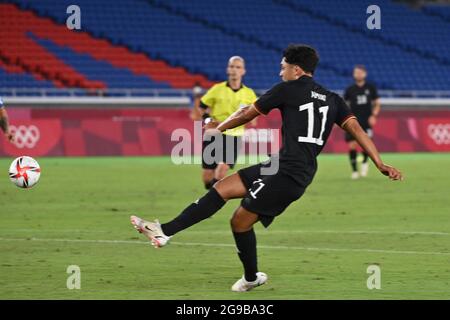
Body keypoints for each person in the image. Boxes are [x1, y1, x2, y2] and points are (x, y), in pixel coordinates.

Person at [130, 45, 402, 292]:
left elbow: (248, 112)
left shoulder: (287, 89)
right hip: (284, 165)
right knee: (221, 188)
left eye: (283, 66)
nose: (280, 70)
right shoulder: (333, 98)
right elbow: (356, 129)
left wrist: (218, 128)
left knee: (239, 221)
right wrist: (379, 162)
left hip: (291, 173)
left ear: (296, 69)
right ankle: (164, 231)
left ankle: (250, 277)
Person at [195, 56, 257, 189]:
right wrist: (207, 119)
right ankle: (210, 190)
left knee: (222, 167)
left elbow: (254, 113)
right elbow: (201, 105)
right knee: (207, 175)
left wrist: (252, 117)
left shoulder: (249, 93)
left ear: (243, 71)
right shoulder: (217, 89)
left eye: (238, 67)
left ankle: (212, 197)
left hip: (234, 135)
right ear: (227, 69)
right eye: (232, 66)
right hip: (214, 133)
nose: (234, 70)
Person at [344, 65, 381, 179]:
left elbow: (377, 103)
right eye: (356, 72)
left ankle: (365, 162)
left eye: (360, 72)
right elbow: (344, 104)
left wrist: (374, 115)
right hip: (353, 120)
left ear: (364, 74)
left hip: (366, 121)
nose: (358, 74)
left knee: (366, 144)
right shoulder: (350, 89)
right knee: (352, 146)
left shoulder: (371, 88)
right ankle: (355, 171)